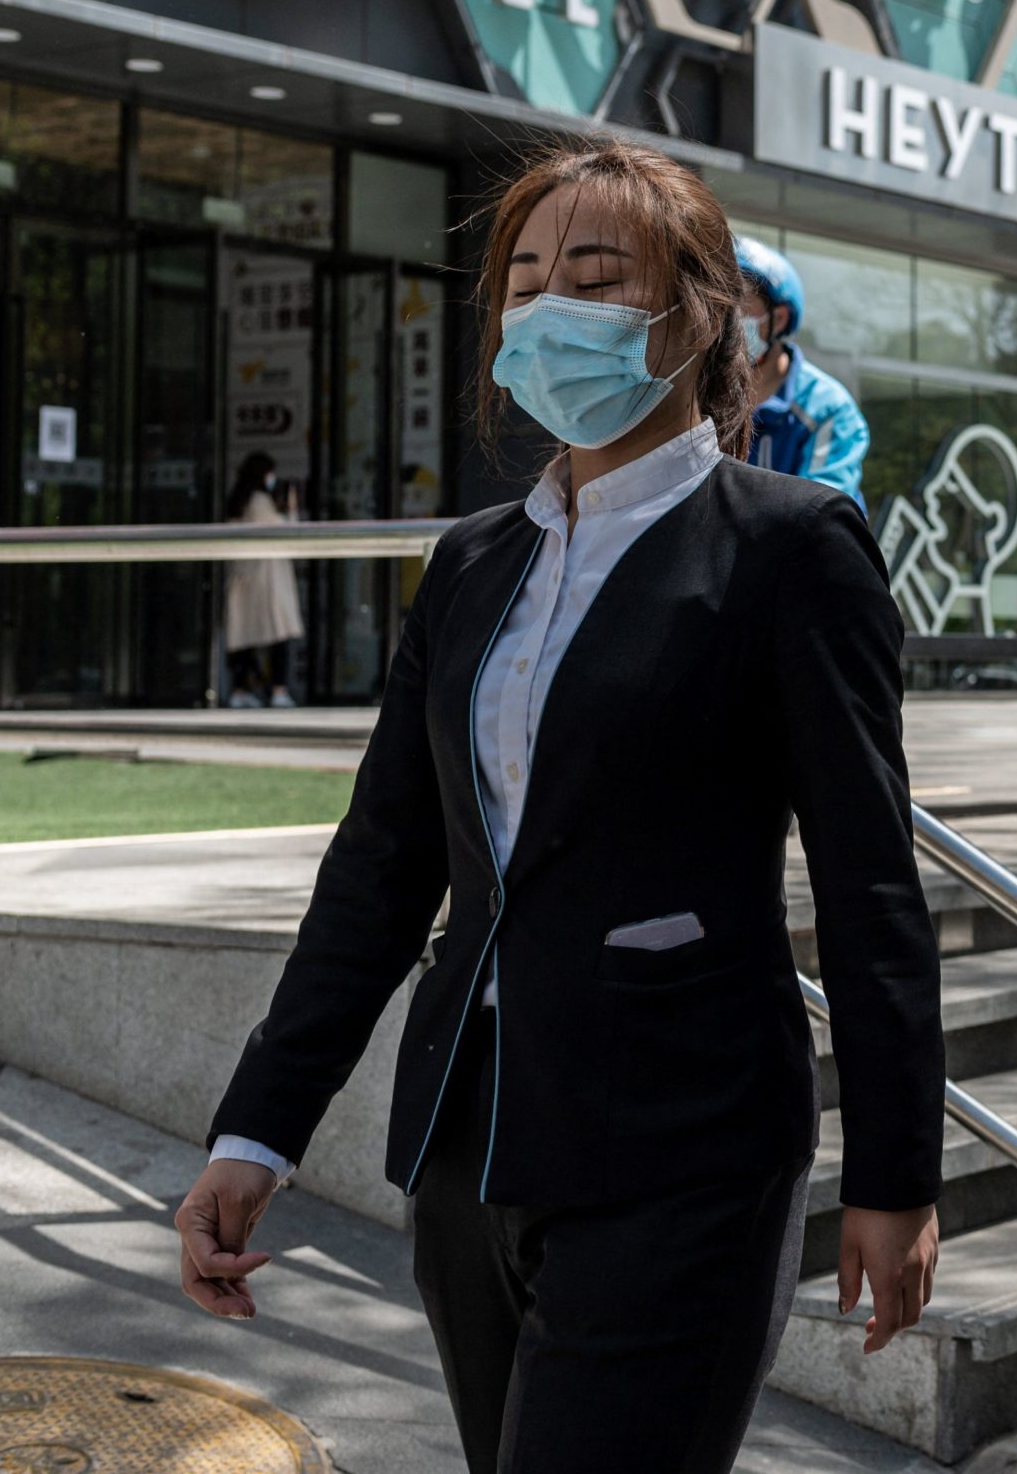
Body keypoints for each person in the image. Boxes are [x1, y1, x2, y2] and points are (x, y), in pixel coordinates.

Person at [172, 145, 945, 1473]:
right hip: (471, 1144)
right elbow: (382, 866)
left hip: (685, 1148)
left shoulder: (789, 546)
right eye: (523, 281)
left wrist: (895, 1172)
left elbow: (872, 881)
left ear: (693, 314)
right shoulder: (476, 561)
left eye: (592, 277)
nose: (545, 309)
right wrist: (259, 1125)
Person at [733, 234, 870, 505]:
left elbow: (821, 513)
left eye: (736, 298)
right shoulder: (701, 395)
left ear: (780, 319)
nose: (722, 314)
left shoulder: (827, 408)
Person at [223, 452, 305, 708]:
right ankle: (277, 689)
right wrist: (291, 508)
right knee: (278, 634)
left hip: (246, 578)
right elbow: (287, 531)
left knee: (245, 637)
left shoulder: (239, 502)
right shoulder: (260, 501)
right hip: (267, 578)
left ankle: (241, 689)